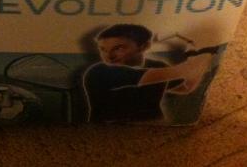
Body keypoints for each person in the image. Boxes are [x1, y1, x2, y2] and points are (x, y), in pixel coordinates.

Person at [83, 24, 213, 123]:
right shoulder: (100, 72)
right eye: (103, 49)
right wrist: (204, 50)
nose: (109, 56)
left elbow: (185, 88)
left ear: (144, 46)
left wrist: (198, 55)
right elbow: (187, 70)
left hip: (154, 128)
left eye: (119, 48)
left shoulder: (157, 66)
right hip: (110, 132)